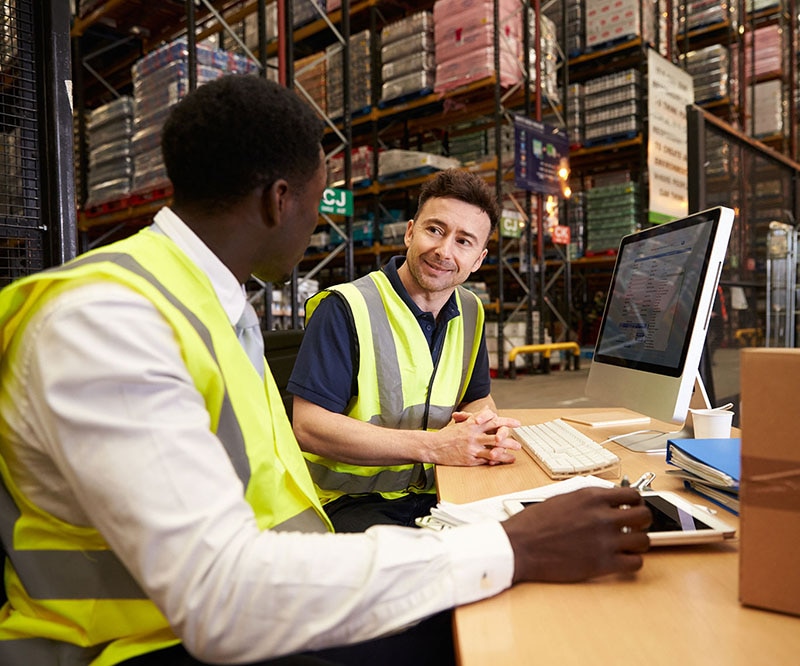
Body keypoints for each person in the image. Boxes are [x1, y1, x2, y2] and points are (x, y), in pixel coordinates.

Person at [0, 75, 651, 666]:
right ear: (278, 201)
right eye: (317, 200)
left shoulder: (206, 303)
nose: (317, 224)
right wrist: (512, 547)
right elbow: (220, 597)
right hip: (134, 645)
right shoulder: (108, 323)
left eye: (465, 241)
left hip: (249, 589)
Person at [289, 169, 522, 532]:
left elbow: (477, 398)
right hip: (350, 502)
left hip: (439, 489)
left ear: (479, 258)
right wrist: (434, 447)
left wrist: (485, 428)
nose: (444, 251)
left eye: (464, 241)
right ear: (411, 232)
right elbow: (309, 426)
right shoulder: (347, 307)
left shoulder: (471, 310)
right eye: (435, 230)